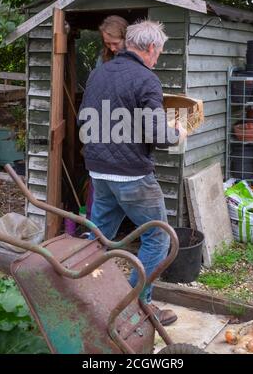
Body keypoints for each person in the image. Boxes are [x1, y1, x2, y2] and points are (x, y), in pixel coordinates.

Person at [78, 20, 186, 326]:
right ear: (150, 48)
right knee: (158, 237)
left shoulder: (100, 71)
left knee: (98, 237)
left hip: (99, 172)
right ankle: (137, 305)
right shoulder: (146, 79)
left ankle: (79, 290)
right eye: (160, 52)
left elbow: (84, 120)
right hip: (131, 177)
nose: (158, 58)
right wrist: (177, 133)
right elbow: (155, 133)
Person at [79, 15, 128, 219]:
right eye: (107, 43)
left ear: (126, 38)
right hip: (102, 120)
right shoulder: (103, 58)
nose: (112, 48)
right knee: (98, 185)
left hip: (122, 123)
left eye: (115, 43)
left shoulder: (134, 59)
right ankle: (93, 224)